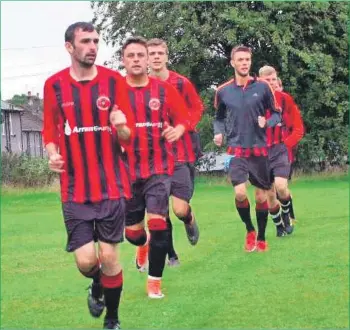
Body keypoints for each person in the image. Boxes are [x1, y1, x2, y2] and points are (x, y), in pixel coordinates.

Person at [42, 22, 134, 329]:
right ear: (70, 47)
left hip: (111, 185)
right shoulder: (54, 85)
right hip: (74, 189)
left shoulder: (113, 81)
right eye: (85, 41)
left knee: (109, 257)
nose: (93, 46)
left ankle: (113, 318)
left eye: (96, 40)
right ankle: (96, 284)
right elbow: (49, 130)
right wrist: (52, 153)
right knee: (86, 262)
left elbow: (127, 135)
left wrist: (121, 126)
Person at [120, 36, 190, 298]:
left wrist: (178, 129)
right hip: (127, 172)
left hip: (159, 167)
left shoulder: (163, 90)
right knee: (134, 234)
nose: (137, 60)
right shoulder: (115, 91)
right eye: (131, 56)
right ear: (123, 60)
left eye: (141, 55)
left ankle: (154, 283)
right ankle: (142, 245)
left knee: (159, 223)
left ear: (148, 59)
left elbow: (183, 117)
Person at [213, 45, 281, 253]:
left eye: (247, 60)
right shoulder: (223, 91)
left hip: (260, 149)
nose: (244, 63)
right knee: (241, 193)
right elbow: (218, 118)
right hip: (237, 149)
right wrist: (218, 132)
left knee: (261, 197)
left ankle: (261, 236)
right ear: (232, 63)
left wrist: (266, 123)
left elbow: (276, 114)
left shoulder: (263, 87)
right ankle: (249, 230)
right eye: (240, 60)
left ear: (250, 62)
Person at [144, 38, 204, 266]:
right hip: (154, 157)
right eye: (152, 53)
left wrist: (181, 128)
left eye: (160, 53)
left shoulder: (181, 83)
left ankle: (189, 219)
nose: (156, 57)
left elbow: (197, 108)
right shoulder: (142, 86)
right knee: (159, 210)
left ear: (167, 56)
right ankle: (171, 254)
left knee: (178, 209)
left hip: (181, 154)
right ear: (147, 58)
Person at [256, 66, 304, 234]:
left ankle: (287, 215)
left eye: (273, 80)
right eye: (267, 81)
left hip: (280, 148)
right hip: (261, 153)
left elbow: (298, 127)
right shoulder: (253, 101)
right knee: (269, 194)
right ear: (260, 81)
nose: (271, 83)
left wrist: (286, 144)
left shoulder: (285, 100)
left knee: (281, 186)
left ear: (277, 80)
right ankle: (278, 227)